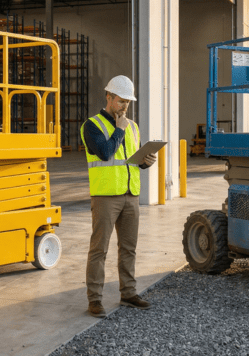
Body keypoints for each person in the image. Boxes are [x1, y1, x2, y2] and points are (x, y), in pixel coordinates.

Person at [79, 75, 157, 318]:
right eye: (121, 101)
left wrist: (147, 162)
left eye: (128, 103)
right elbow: (105, 153)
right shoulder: (92, 125)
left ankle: (129, 293)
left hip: (130, 194)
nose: (125, 107)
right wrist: (119, 129)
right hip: (105, 196)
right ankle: (95, 300)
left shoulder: (132, 126)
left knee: (129, 248)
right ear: (109, 97)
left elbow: (131, 160)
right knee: (99, 250)